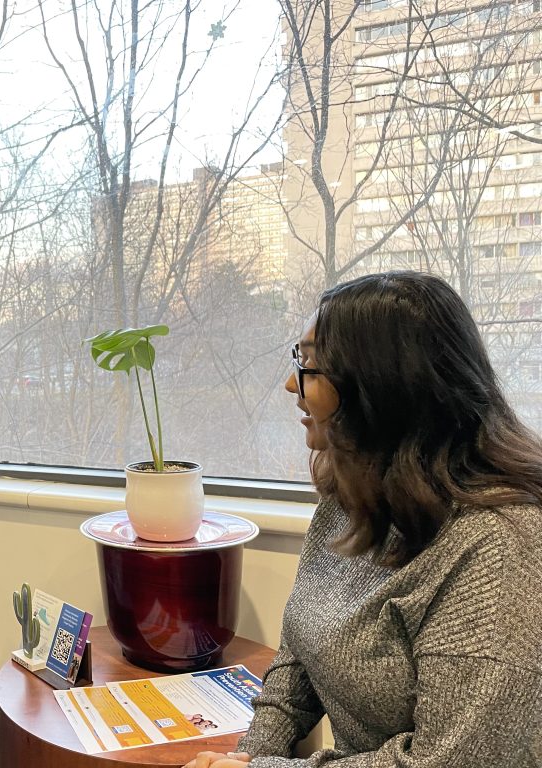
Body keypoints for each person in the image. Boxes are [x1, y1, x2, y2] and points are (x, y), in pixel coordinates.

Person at [188, 272, 542, 768]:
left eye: (309, 365)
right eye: (298, 358)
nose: (292, 383)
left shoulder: (498, 545)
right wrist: (250, 755)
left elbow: (454, 760)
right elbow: (299, 655)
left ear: (381, 387)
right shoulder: (351, 493)